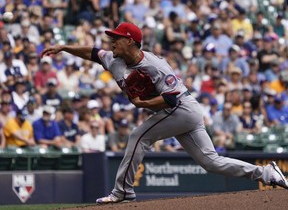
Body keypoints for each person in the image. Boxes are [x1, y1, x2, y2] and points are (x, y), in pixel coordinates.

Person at [41, 22, 288, 204]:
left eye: (116, 37)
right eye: (111, 37)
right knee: (211, 162)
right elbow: (92, 53)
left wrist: (144, 104)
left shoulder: (155, 64)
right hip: (180, 113)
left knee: (139, 135)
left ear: (131, 41)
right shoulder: (114, 59)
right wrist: (64, 47)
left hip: (182, 108)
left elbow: (171, 98)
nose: (111, 41)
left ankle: (123, 191)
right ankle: (266, 172)